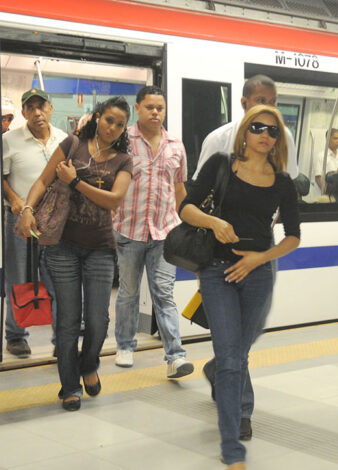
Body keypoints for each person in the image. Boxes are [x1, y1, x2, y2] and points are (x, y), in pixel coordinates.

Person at [180, 105, 300, 470]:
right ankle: (232, 448)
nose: (265, 135)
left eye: (273, 131)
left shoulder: (282, 183)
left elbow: (293, 237)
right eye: (258, 128)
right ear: (245, 132)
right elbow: (186, 208)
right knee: (231, 360)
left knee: (240, 354)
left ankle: (227, 394)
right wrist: (214, 222)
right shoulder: (220, 164)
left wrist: (258, 259)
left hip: (258, 274)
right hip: (218, 272)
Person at [17, 97, 133, 410]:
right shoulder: (72, 144)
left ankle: (89, 364)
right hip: (62, 246)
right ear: (98, 117)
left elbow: (113, 200)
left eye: (120, 124)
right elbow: (43, 180)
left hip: (100, 248)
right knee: (68, 321)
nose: (112, 128)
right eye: (109, 120)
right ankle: (70, 386)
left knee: (97, 320)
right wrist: (27, 208)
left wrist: (76, 181)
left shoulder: (123, 159)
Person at [112, 86, 194, 377]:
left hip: (165, 233)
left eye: (160, 107)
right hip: (129, 229)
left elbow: (180, 188)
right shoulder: (124, 142)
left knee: (164, 293)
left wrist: (187, 224)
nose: (156, 113)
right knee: (128, 292)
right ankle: (124, 345)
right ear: (137, 108)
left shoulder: (176, 146)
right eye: (150, 107)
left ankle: (175, 356)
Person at [1, 88, 66, 358]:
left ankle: (61, 339)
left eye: (42, 106)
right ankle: (16, 336)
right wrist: (15, 199)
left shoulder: (64, 139)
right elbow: (0, 176)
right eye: (31, 107)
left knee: (59, 281)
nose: (37, 112)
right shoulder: (9, 140)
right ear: (24, 112)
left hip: (55, 222)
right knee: (20, 278)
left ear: (51, 109)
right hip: (19, 221)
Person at [194, 74, 298, 178]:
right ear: (244, 103)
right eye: (261, 100)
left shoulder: (284, 136)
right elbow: (201, 187)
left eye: (272, 102)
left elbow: (289, 178)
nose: (268, 107)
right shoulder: (218, 139)